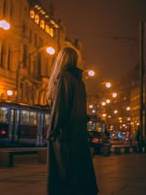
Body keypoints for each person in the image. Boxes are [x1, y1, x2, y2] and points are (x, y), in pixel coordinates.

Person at [46, 47, 99, 195]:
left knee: (63, 174)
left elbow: (60, 107)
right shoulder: (79, 81)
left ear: (60, 60)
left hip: (64, 135)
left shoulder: (64, 77)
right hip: (78, 134)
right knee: (77, 172)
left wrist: (52, 131)